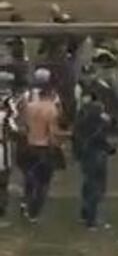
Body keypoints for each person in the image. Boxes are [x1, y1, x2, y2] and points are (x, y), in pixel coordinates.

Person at [22, 68, 63, 222]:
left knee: (29, 177)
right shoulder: (51, 109)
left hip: (29, 145)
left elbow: (24, 126)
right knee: (44, 184)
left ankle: (26, 203)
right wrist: (59, 144)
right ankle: (34, 213)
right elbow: (52, 133)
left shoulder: (30, 106)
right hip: (44, 148)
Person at [72, 92, 116, 230]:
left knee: (88, 185)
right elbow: (102, 140)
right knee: (97, 189)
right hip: (97, 157)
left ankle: (85, 215)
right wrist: (111, 149)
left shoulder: (80, 123)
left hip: (85, 156)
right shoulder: (99, 124)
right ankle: (92, 220)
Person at [0, 72, 18, 218]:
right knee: (3, 179)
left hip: (4, 146)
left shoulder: (10, 104)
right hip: (3, 147)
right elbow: (14, 128)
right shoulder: (9, 105)